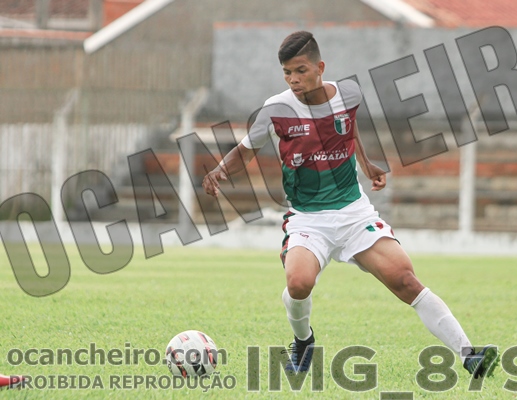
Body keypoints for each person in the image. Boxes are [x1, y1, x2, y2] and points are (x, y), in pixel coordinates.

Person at [202, 31, 497, 378]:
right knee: (298, 284)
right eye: (287, 72)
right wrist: (220, 170)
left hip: (354, 213)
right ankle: (304, 341)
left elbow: (348, 129)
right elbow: (245, 150)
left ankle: (470, 355)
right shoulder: (276, 110)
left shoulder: (349, 94)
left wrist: (366, 164)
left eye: (300, 70)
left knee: (405, 280)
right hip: (308, 218)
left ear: (320, 67)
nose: (294, 79)